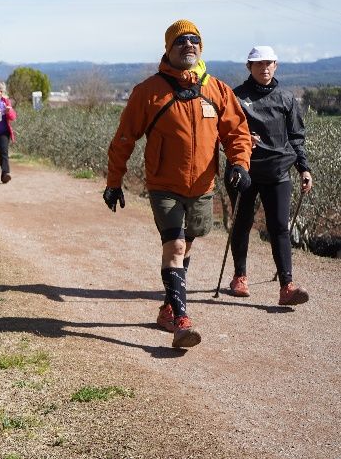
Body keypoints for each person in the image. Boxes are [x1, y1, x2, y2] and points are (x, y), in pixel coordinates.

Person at [103, 19, 253, 349]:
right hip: (164, 185)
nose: (189, 45)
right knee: (176, 247)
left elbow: (237, 133)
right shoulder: (148, 92)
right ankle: (182, 323)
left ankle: (168, 307)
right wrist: (114, 182)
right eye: (180, 41)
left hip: (202, 186)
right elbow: (124, 138)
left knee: (190, 241)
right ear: (168, 49)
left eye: (194, 40)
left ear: (201, 47)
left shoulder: (217, 90)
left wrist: (240, 164)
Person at [225, 46, 311, 305]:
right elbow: (222, 134)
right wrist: (241, 140)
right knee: (242, 224)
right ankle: (240, 276)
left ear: (276, 65)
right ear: (248, 67)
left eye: (269, 63)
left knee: (279, 228)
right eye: (258, 64)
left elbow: (296, 138)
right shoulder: (236, 97)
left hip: (278, 171)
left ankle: (287, 286)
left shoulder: (287, 98)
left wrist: (304, 168)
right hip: (244, 171)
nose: (264, 68)